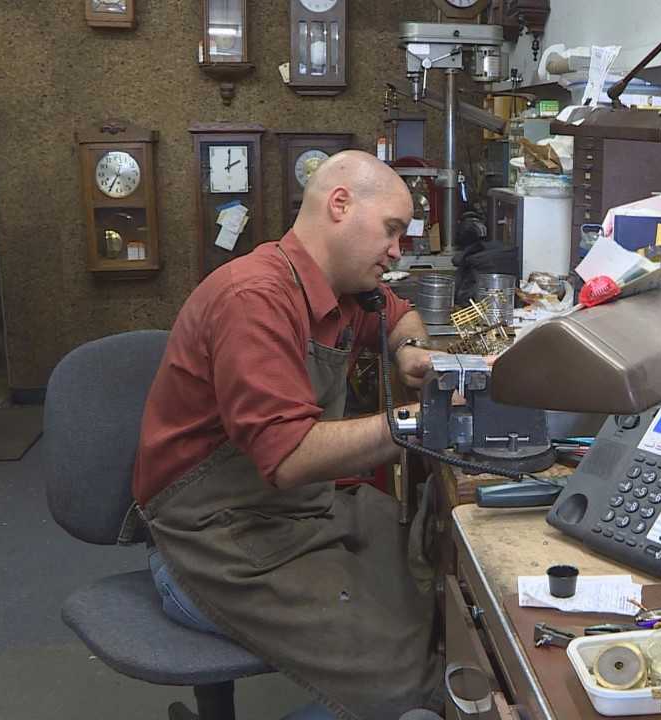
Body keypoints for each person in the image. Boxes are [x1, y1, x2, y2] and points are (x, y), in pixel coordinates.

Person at [131, 151, 443, 720]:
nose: (398, 250)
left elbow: (399, 315)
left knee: (431, 582)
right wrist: (421, 423)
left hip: (292, 511)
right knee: (412, 685)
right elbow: (291, 456)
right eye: (392, 230)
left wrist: (409, 353)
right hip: (214, 537)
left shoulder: (341, 286)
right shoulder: (254, 299)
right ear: (340, 205)